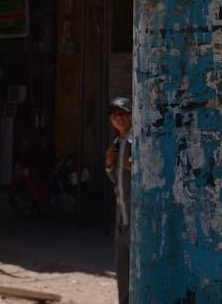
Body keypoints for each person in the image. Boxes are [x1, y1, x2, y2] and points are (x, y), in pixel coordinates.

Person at [105, 96, 133, 304]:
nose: (119, 118)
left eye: (123, 114)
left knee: (138, 268)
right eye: (115, 115)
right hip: (121, 218)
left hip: (135, 218)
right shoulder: (117, 143)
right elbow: (117, 181)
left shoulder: (138, 140)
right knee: (122, 272)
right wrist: (109, 165)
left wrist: (136, 168)